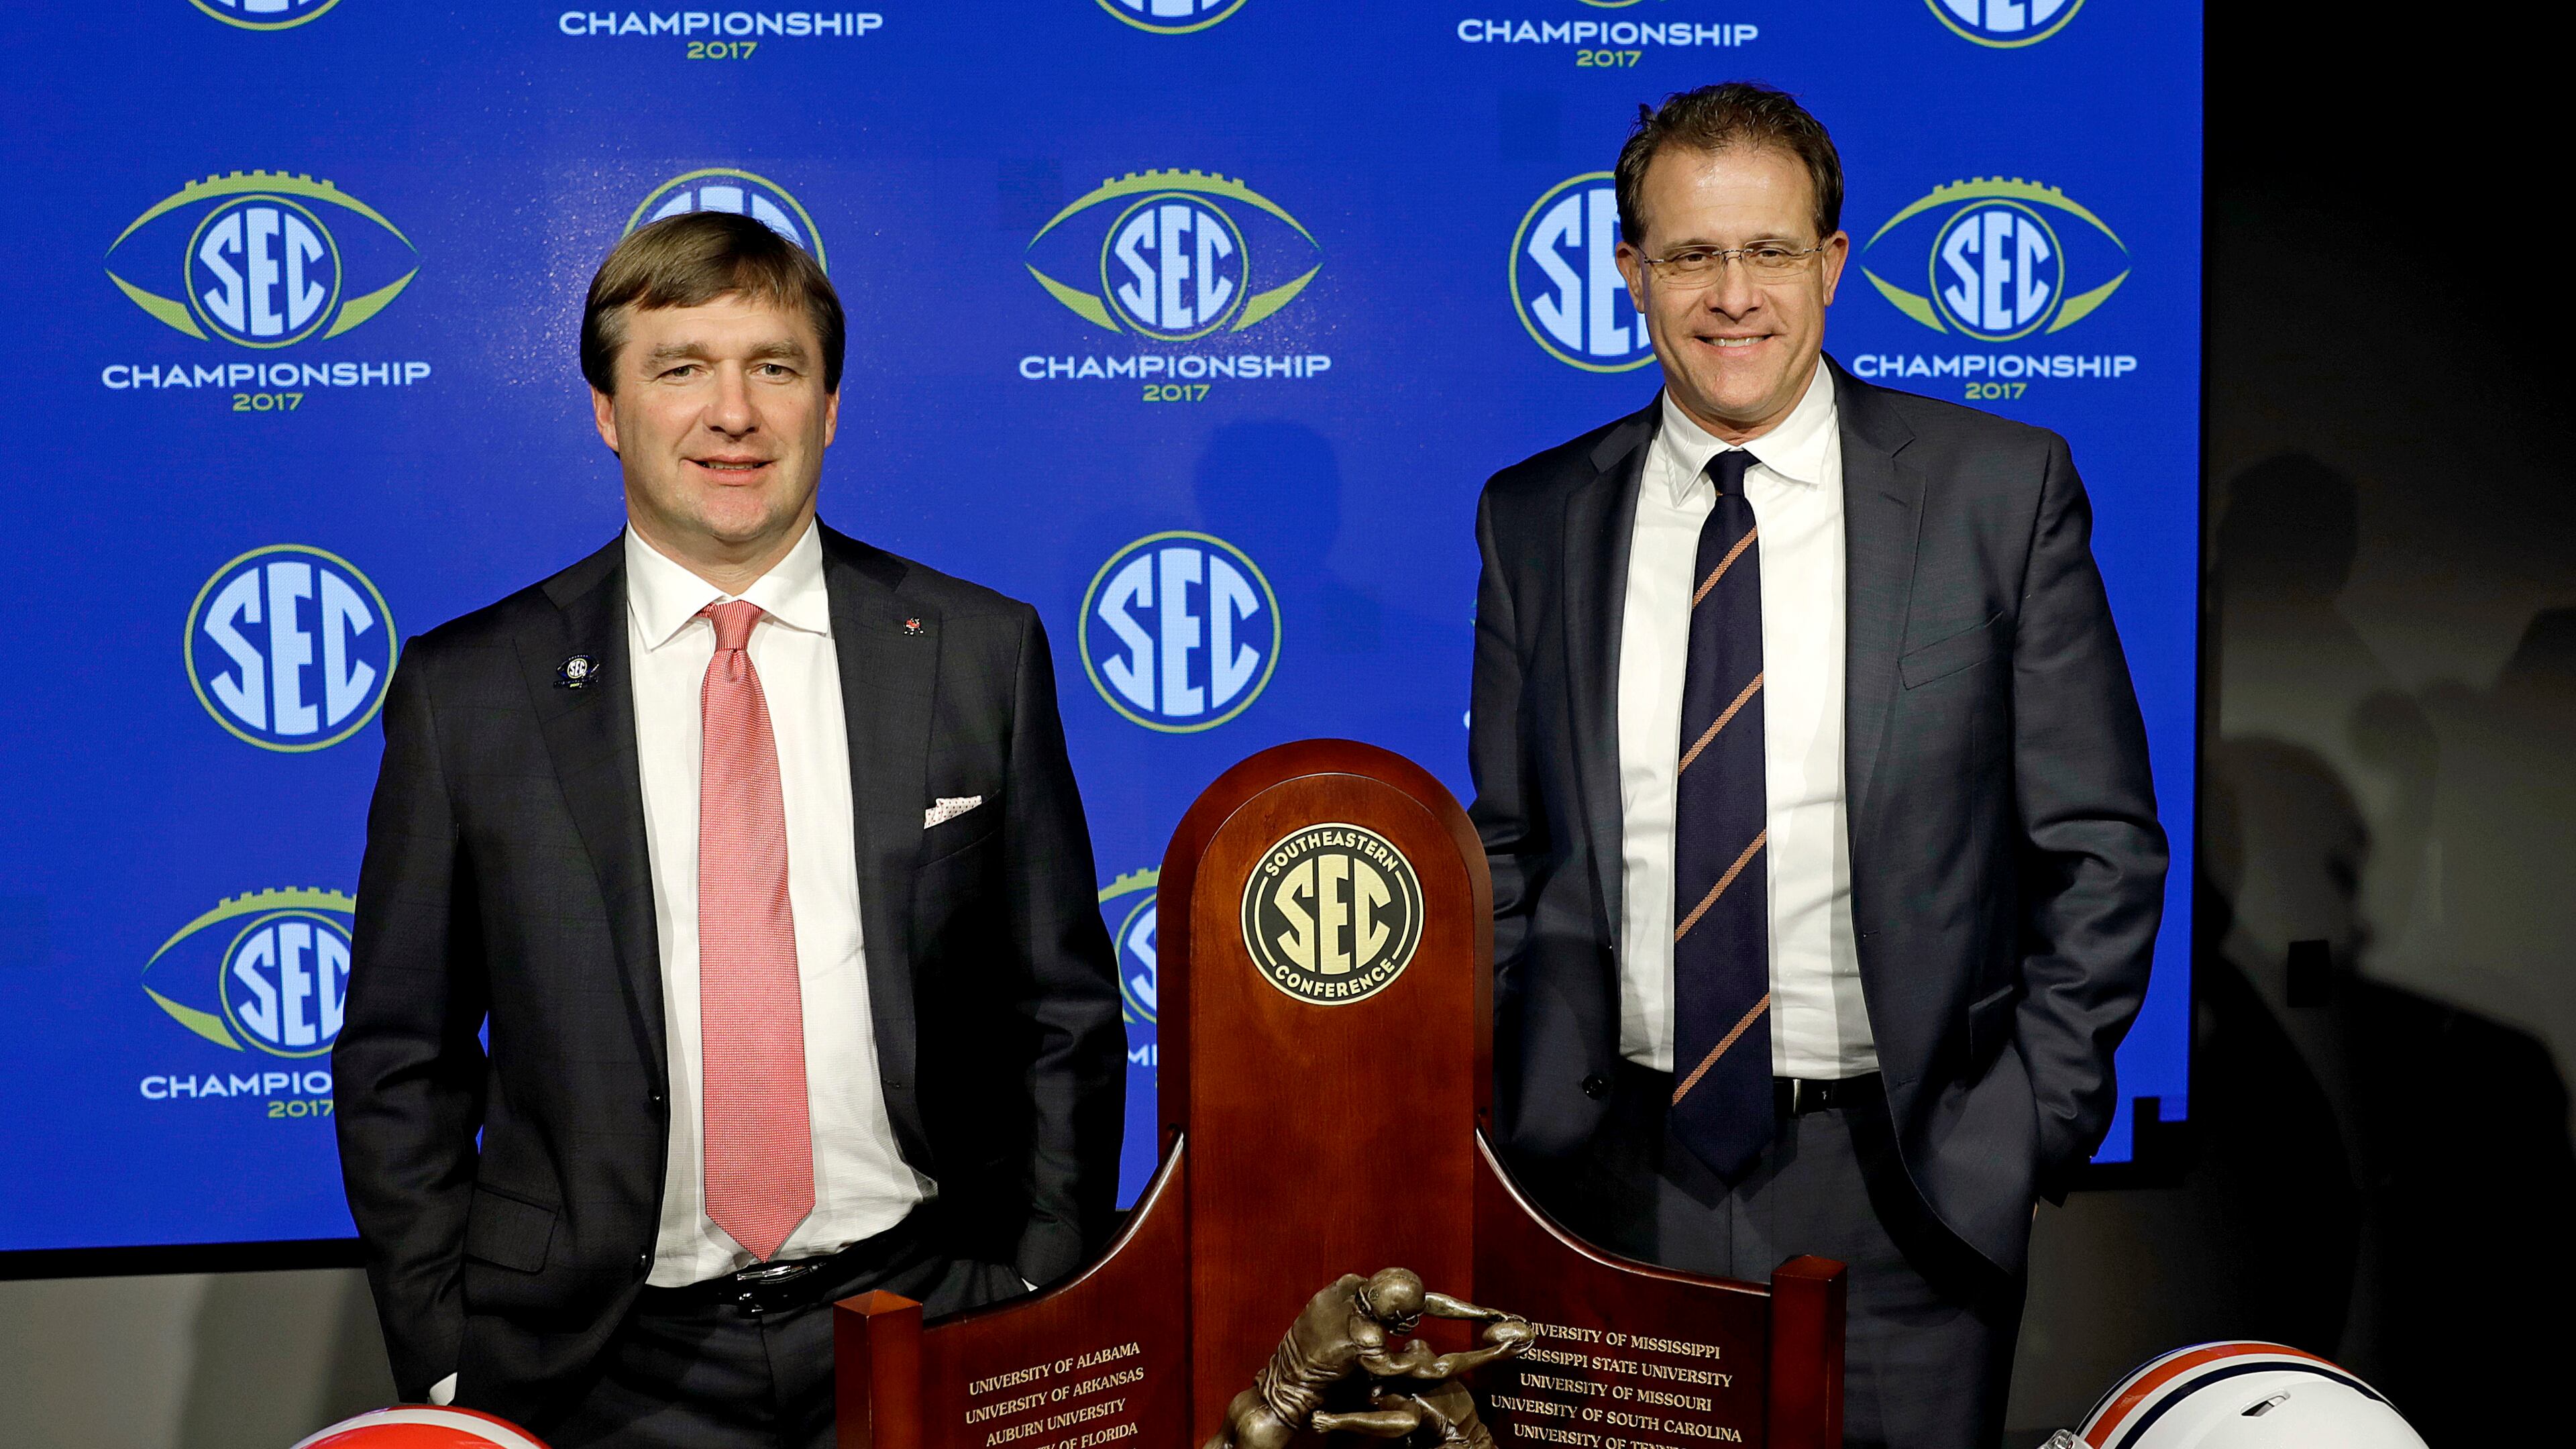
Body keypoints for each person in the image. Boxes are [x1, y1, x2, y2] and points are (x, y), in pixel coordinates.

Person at [333, 211, 1126, 1448]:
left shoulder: (977, 653)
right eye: (681, 368)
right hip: (598, 1363)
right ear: (608, 410)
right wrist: (448, 1354)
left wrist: (1041, 1279)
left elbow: (1065, 1009)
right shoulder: (470, 691)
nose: (734, 414)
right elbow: (400, 1059)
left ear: (830, 404)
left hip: (929, 1320)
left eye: (773, 366)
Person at [1467, 84, 2166, 1448]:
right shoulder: (1535, 516)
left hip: (1905, 1190)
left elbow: (2101, 847)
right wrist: (1521, 1112)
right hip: (1607, 1189)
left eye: (1771, 252)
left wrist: (2022, 1127)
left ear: (1833, 265)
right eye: (1690, 255)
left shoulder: (1994, 491)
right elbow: (1509, 845)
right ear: (1630, 274)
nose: (1733, 297)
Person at [1201, 1269, 1531, 1449]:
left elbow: (1423, 1302)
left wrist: (1485, 1314)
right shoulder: (1368, 1343)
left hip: (1247, 1401)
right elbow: (1436, 1370)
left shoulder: (1347, 1285)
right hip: (1274, 1428)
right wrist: (1497, 1351)